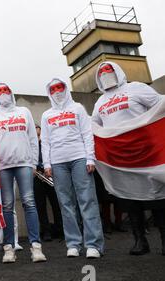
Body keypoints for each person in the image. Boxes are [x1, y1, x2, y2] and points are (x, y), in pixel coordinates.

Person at [92, 61, 165, 256]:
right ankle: (140, 241)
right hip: (120, 159)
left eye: (108, 70)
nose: (105, 73)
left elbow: (160, 106)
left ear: (117, 72)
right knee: (129, 198)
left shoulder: (136, 88)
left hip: (147, 153)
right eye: (101, 72)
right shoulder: (100, 102)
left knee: (158, 196)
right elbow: (94, 127)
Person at [41, 78, 104, 259]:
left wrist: (90, 157)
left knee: (87, 200)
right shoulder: (47, 115)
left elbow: (87, 133)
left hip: (79, 158)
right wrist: (47, 163)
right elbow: (45, 141)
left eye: (60, 87)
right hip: (58, 162)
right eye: (53, 89)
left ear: (66, 89)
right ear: (49, 93)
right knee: (66, 204)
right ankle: (73, 243)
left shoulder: (78, 108)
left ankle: (93, 244)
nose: (57, 91)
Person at [0, 83, 47, 263]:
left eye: (6, 90)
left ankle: (36, 247)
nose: (3, 93)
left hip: (24, 164)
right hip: (2, 166)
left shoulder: (24, 111)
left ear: (11, 93)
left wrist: (34, 163)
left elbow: (33, 139)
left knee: (29, 202)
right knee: (7, 206)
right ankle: (9, 248)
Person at [34, 124, 63, 242]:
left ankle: (60, 229)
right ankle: (46, 231)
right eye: (35, 136)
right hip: (37, 176)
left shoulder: (47, 145)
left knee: (56, 203)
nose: (38, 138)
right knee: (40, 205)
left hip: (50, 174)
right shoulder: (31, 146)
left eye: (39, 135)